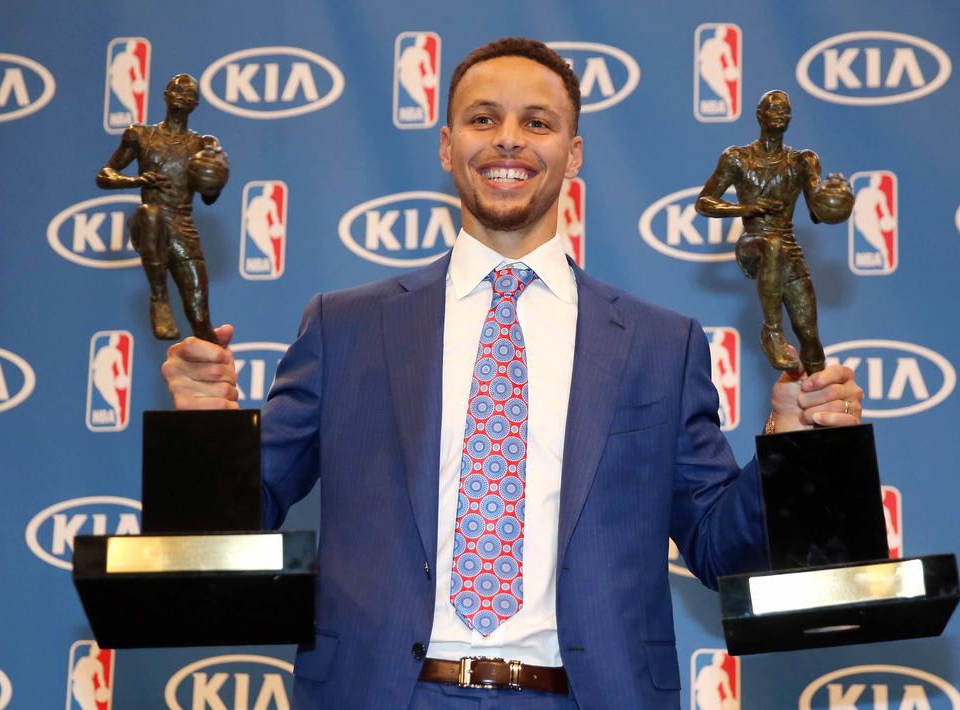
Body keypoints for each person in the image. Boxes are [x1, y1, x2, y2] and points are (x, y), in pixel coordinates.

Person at [163, 38, 863, 709]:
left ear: (572, 152)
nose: (507, 139)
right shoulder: (344, 328)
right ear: (446, 145)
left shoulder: (658, 344)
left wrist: (786, 444)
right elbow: (241, 520)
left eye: (537, 122)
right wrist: (207, 436)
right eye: (482, 118)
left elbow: (717, 548)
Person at [695, 90, 853, 375]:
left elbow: (817, 213)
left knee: (808, 333)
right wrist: (748, 208)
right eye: (774, 109)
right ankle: (772, 331)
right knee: (771, 244)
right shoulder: (737, 158)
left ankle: (817, 396)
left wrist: (836, 196)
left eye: (786, 111)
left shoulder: (802, 161)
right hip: (752, 242)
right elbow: (704, 203)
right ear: (760, 115)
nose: (781, 114)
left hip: (786, 245)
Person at [97, 73, 229, 343]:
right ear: (166, 95)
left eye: (189, 95)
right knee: (151, 213)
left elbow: (208, 199)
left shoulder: (203, 145)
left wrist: (214, 182)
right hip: (149, 227)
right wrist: (135, 180)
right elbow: (104, 175)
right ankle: (159, 298)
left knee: (201, 321)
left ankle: (218, 368)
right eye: (177, 91)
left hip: (183, 229)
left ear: (196, 104)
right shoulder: (140, 135)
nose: (182, 97)